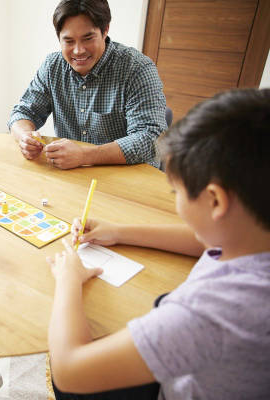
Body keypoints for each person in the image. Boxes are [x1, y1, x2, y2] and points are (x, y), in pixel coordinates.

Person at [46, 88, 270, 399]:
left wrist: (68, 280)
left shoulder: (213, 311)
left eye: (176, 193)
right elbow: (205, 243)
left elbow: (70, 370)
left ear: (215, 200)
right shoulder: (251, 235)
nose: (176, 200)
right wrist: (119, 231)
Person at [9, 0, 166, 170]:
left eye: (88, 38)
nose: (78, 51)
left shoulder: (137, 68)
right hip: (73, 175)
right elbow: (23, 112)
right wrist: (25, 137)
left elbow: (151, 138)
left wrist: (84, 155)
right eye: (69, 41)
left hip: (128, 176)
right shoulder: (52, 66)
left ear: (105, 30)